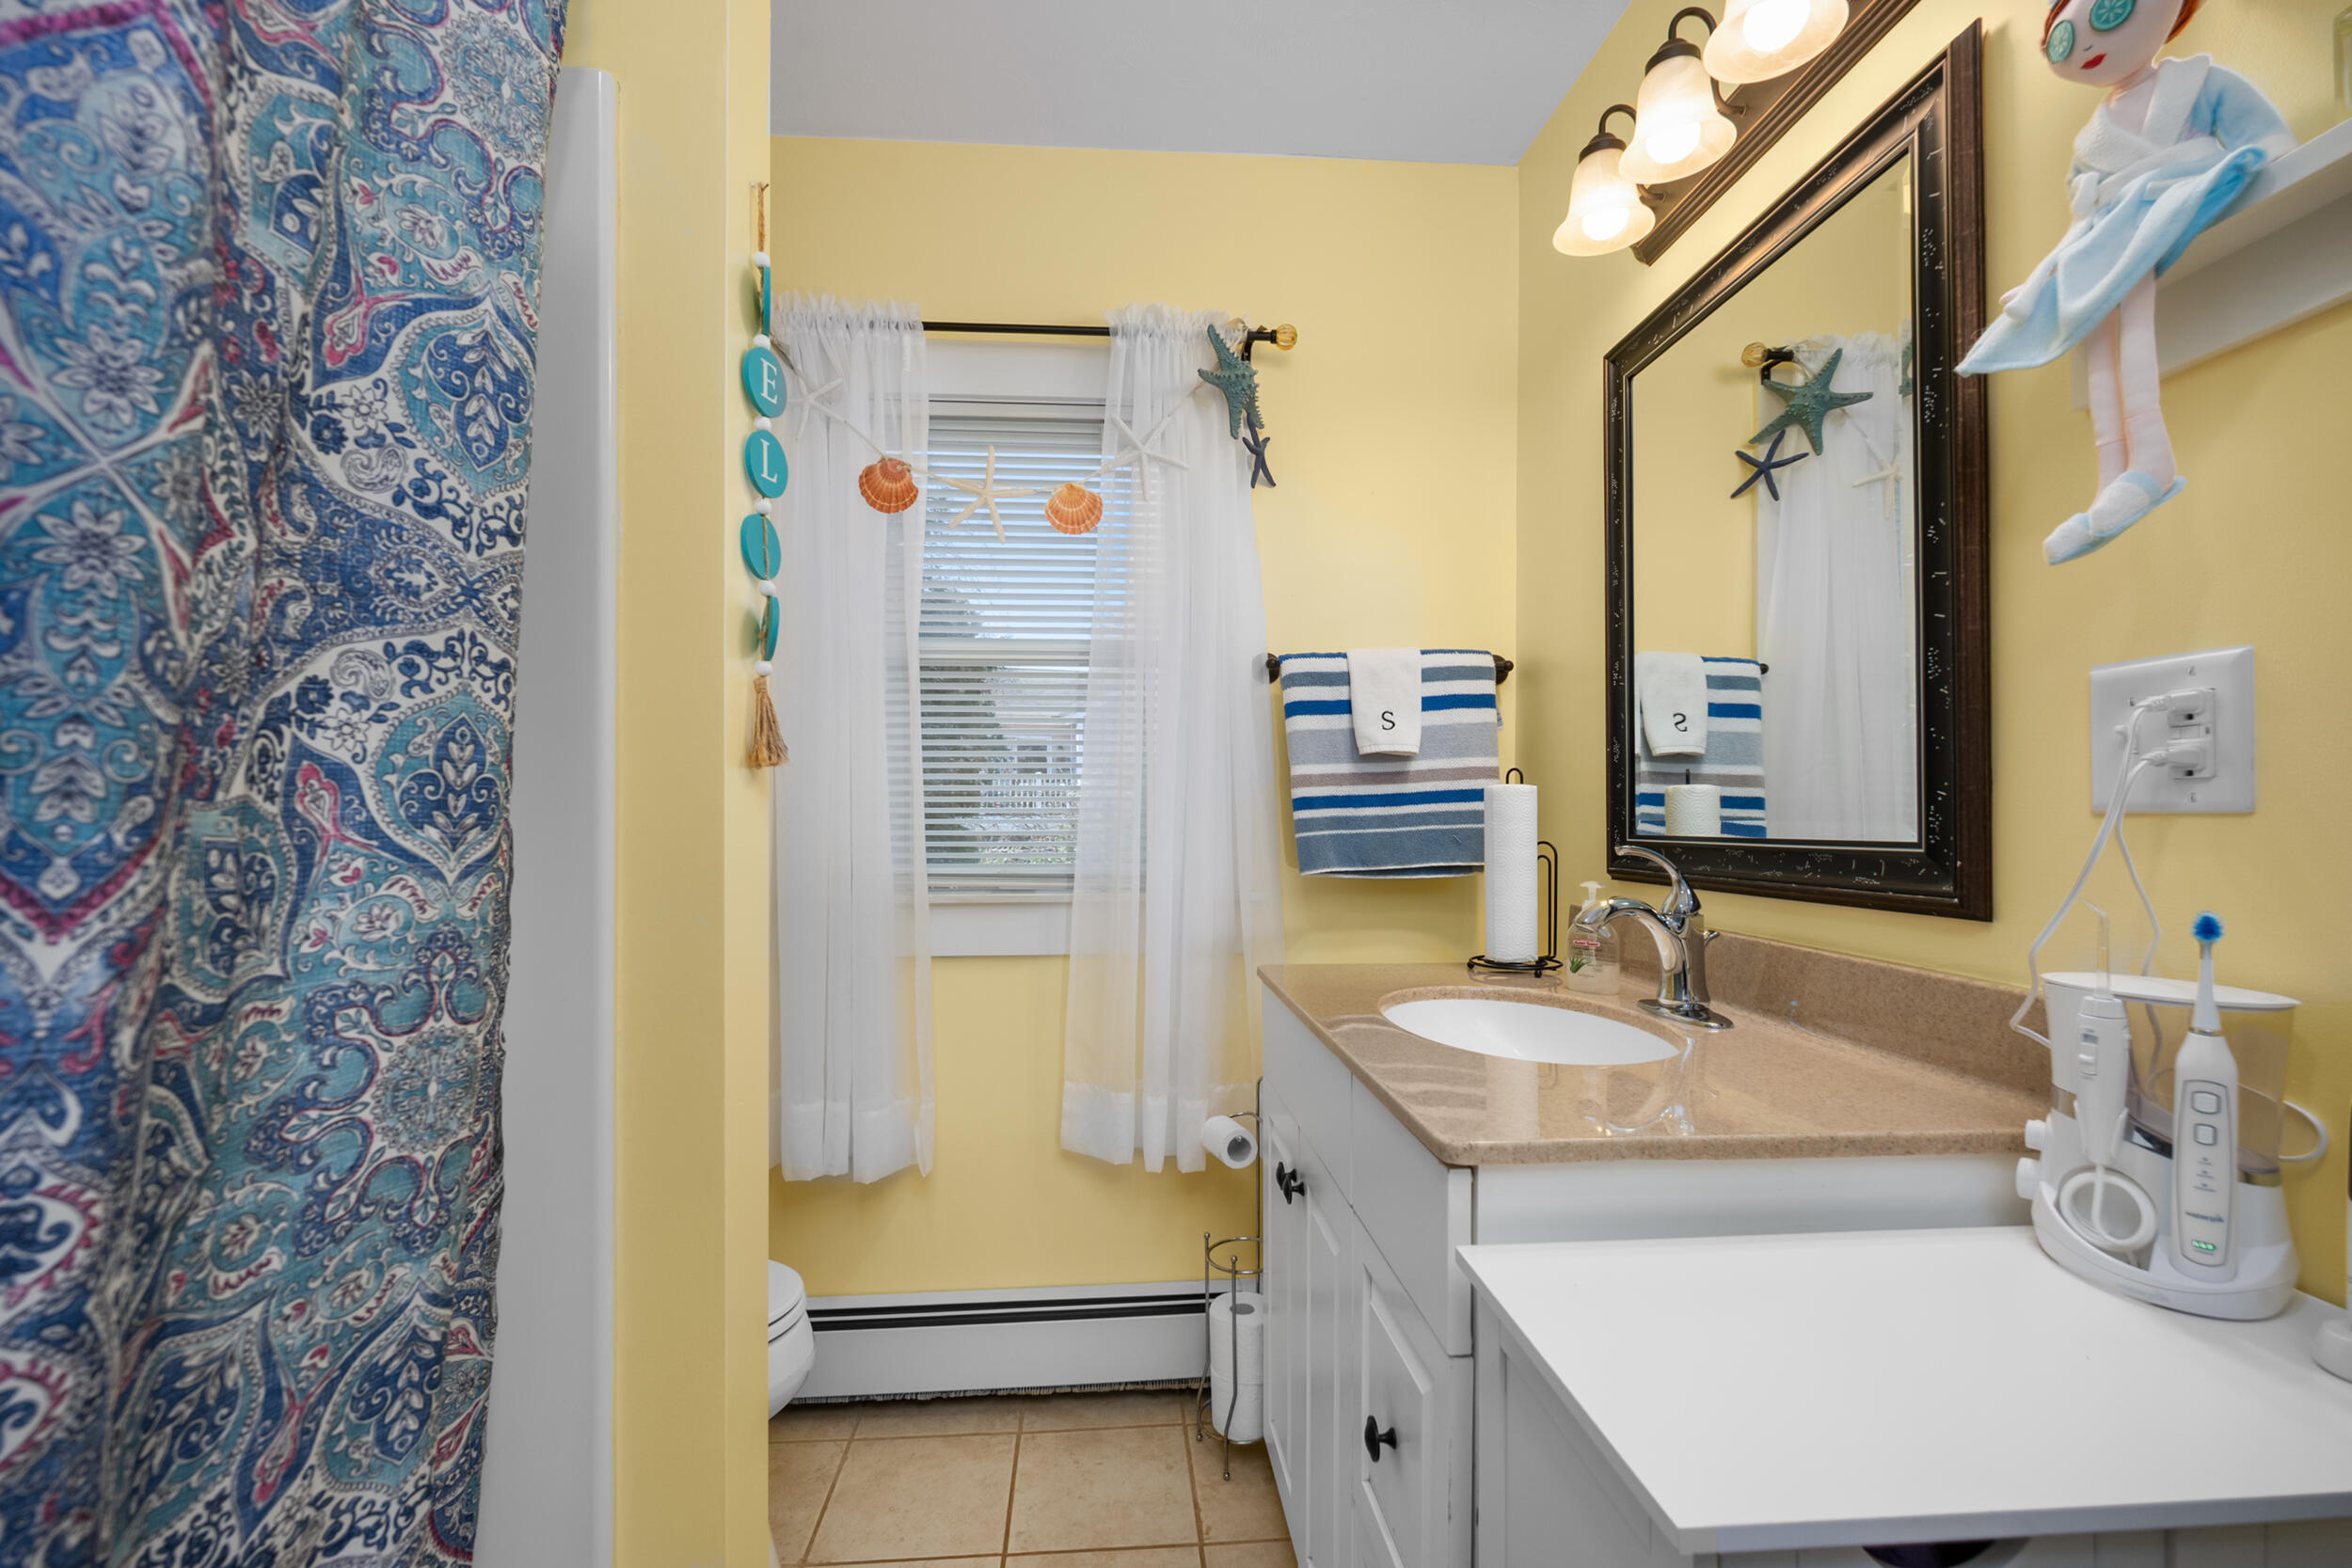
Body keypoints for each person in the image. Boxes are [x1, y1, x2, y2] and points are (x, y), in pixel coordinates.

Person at [1959, 0, 2295, 562]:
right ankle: (2111, 473)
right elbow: (2084, 215)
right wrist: (2050, 271)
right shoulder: (2093, 136)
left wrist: (2264, 156)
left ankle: (2151, 459)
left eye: (2109, 14)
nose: (2086, 46)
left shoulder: (2196, 81)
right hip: (2112, 226)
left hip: (2158, 203)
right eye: (2065, 41)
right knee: (2096, 325)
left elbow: (2262, 135)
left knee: (2129, 303)